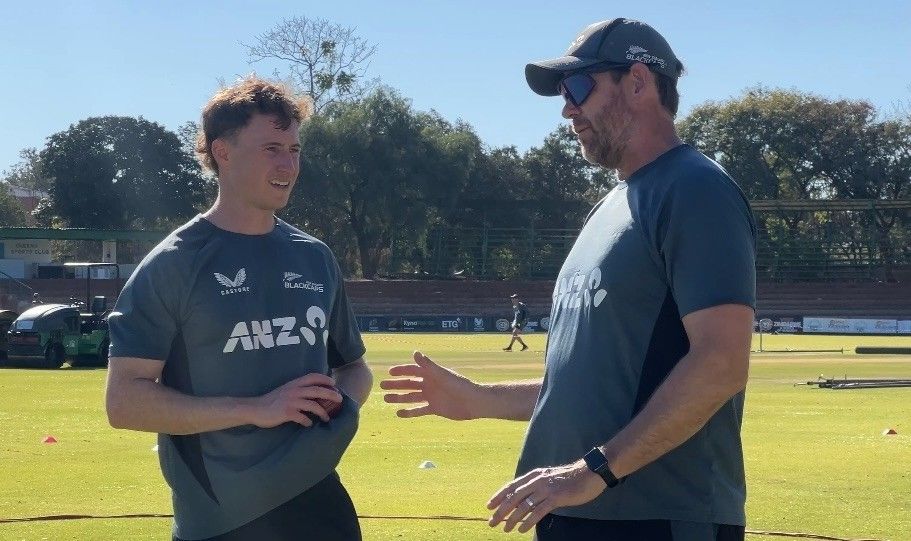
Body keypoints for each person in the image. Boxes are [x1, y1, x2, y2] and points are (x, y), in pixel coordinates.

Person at [382, 18, 756, 541]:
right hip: (574, 510)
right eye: (562, 92)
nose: (566, 108)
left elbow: (721, 362)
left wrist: (594, 470)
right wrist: (479, 400)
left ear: (638, 82)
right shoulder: (612, 206)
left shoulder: (695, 189)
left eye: (579, 87)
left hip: (657, 518)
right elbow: (594, 388)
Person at [105, 76, 373, 541]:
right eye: (272, 147)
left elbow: (354, 368)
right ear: (222, 153)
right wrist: (257, 408)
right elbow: (124, 402)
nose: (289, 163)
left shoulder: (315, 257)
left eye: (294, 149)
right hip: (222, 516)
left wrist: (339, 401)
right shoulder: (174, 264)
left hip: (320, 504)